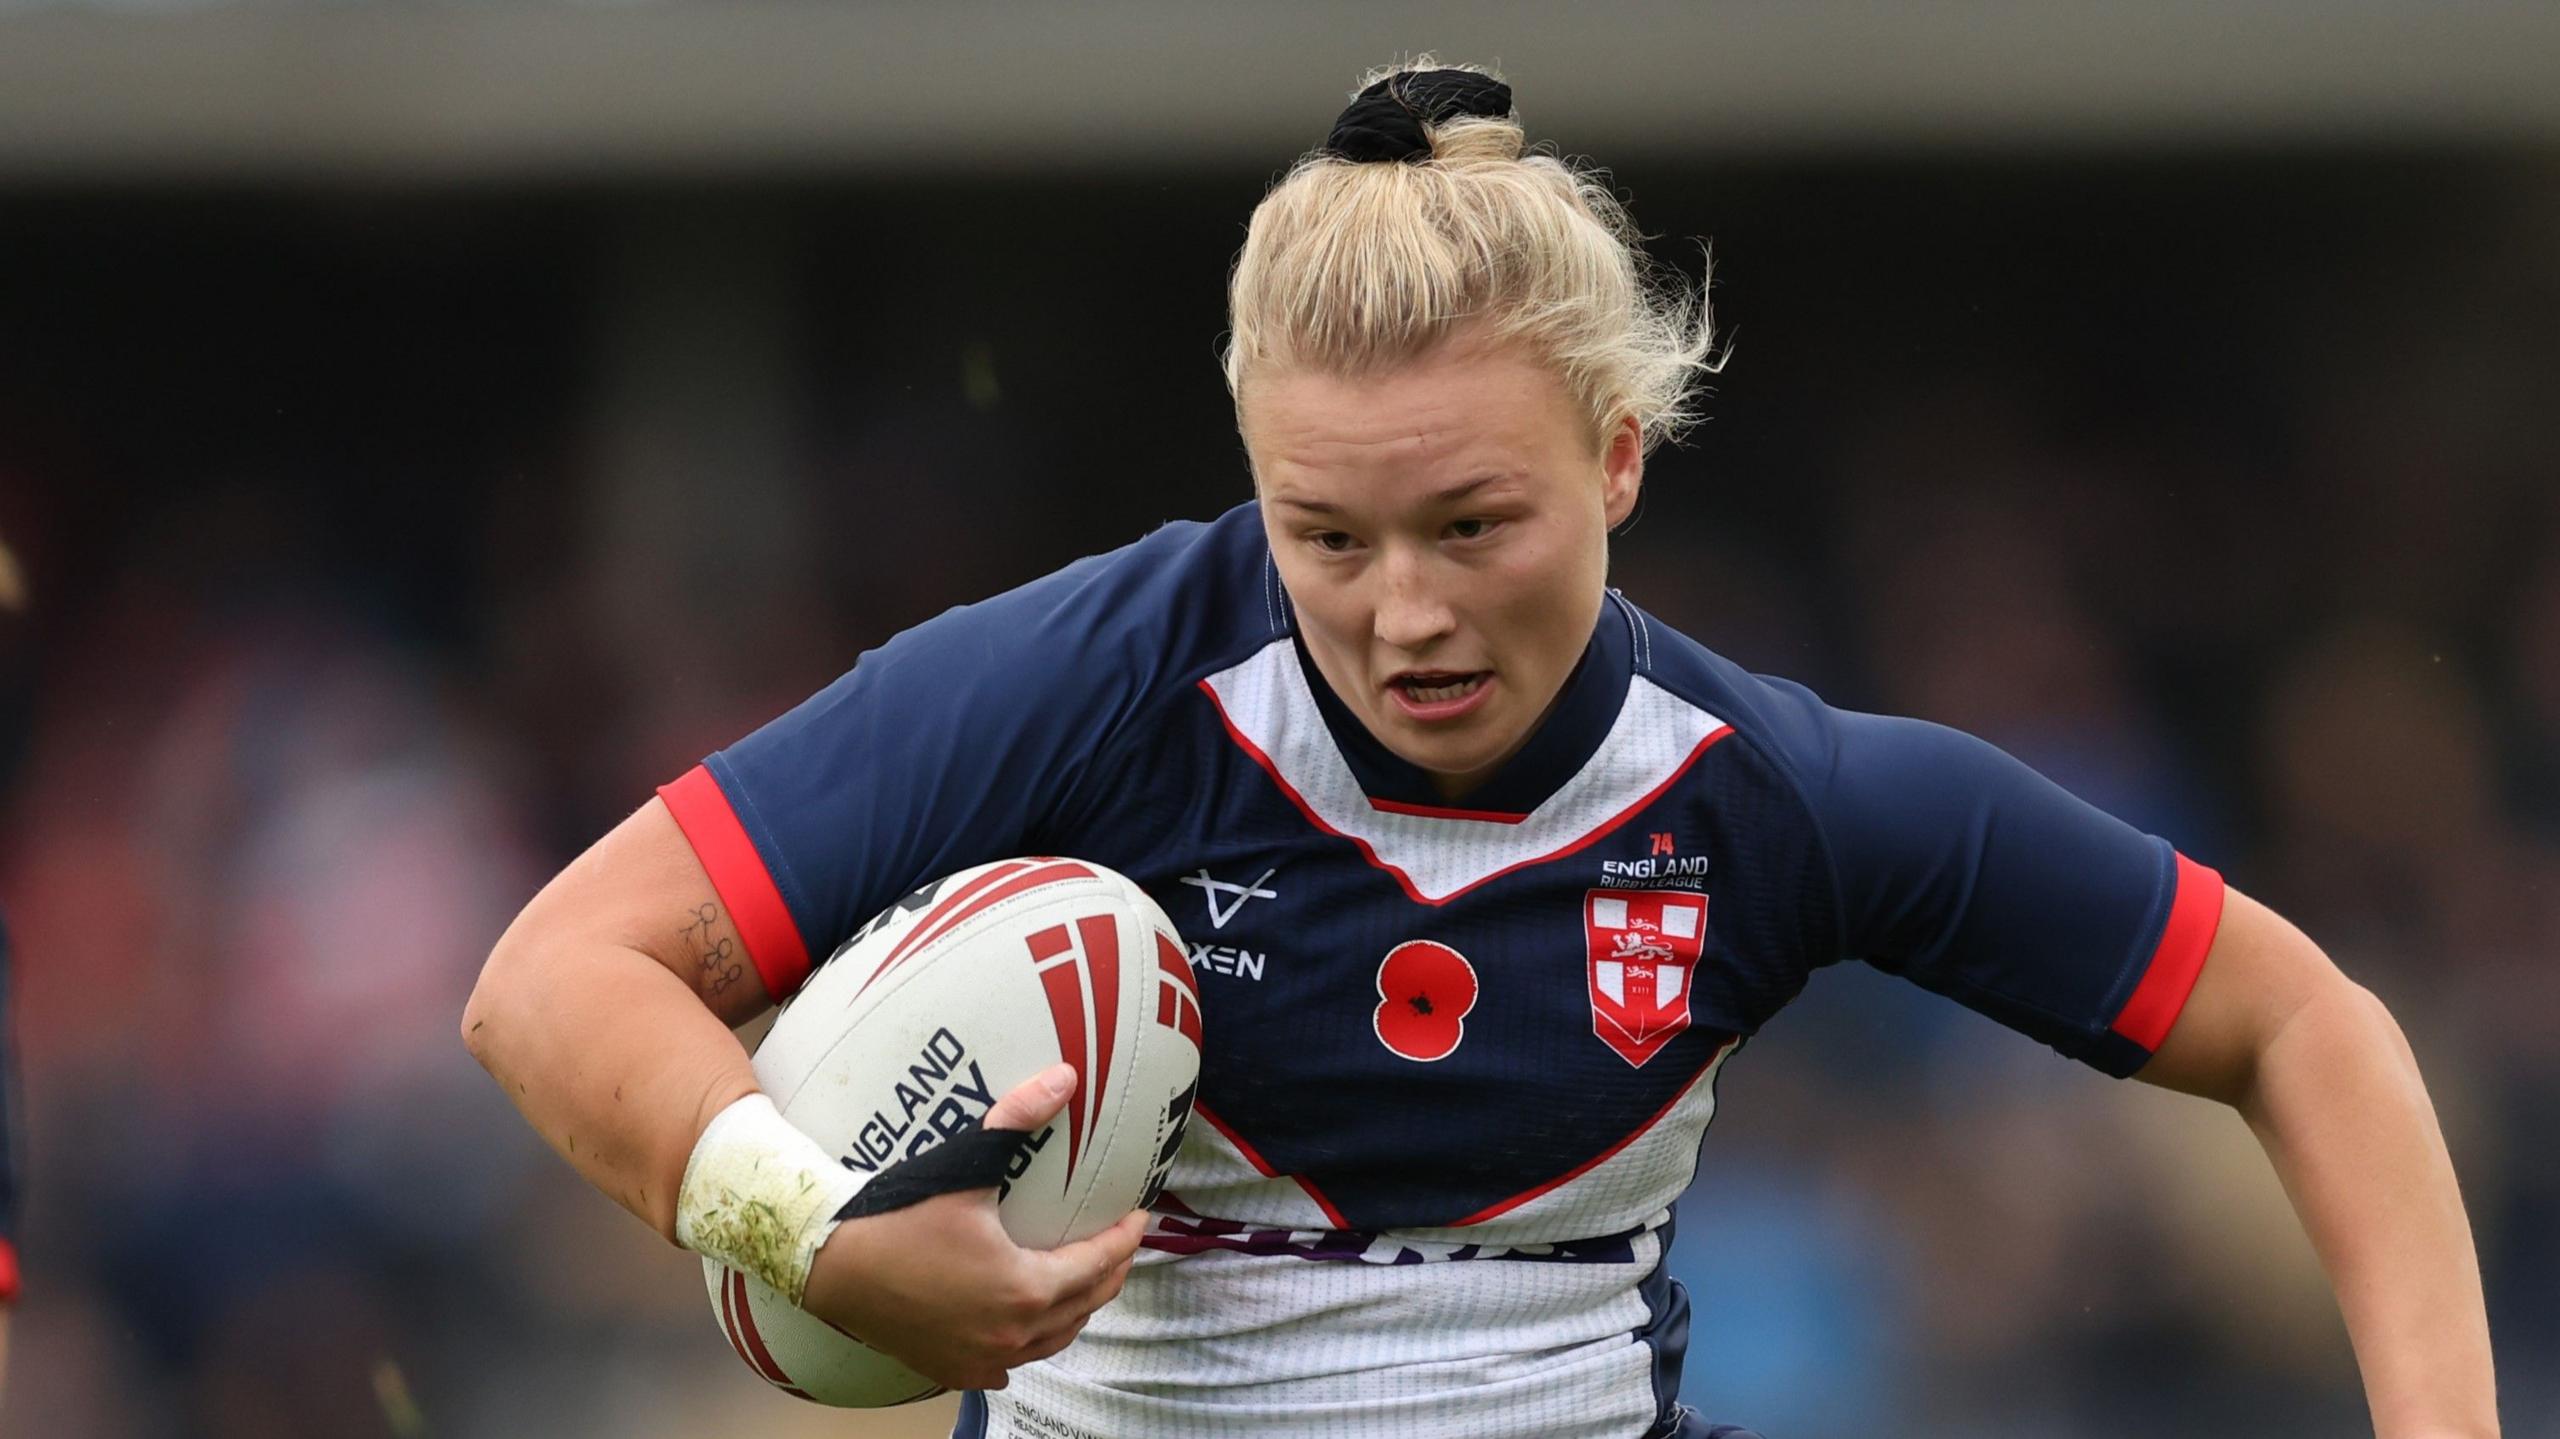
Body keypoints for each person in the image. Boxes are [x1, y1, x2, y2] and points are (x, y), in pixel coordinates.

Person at [463, 60, 2499, 1439]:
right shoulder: (1082, 686)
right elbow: (553, 979)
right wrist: (798, 1232)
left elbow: (2303, 1029)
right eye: (1321, 535)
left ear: (1616, 461)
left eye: (1470, 526)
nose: (1400, 611)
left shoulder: (1760, 796)